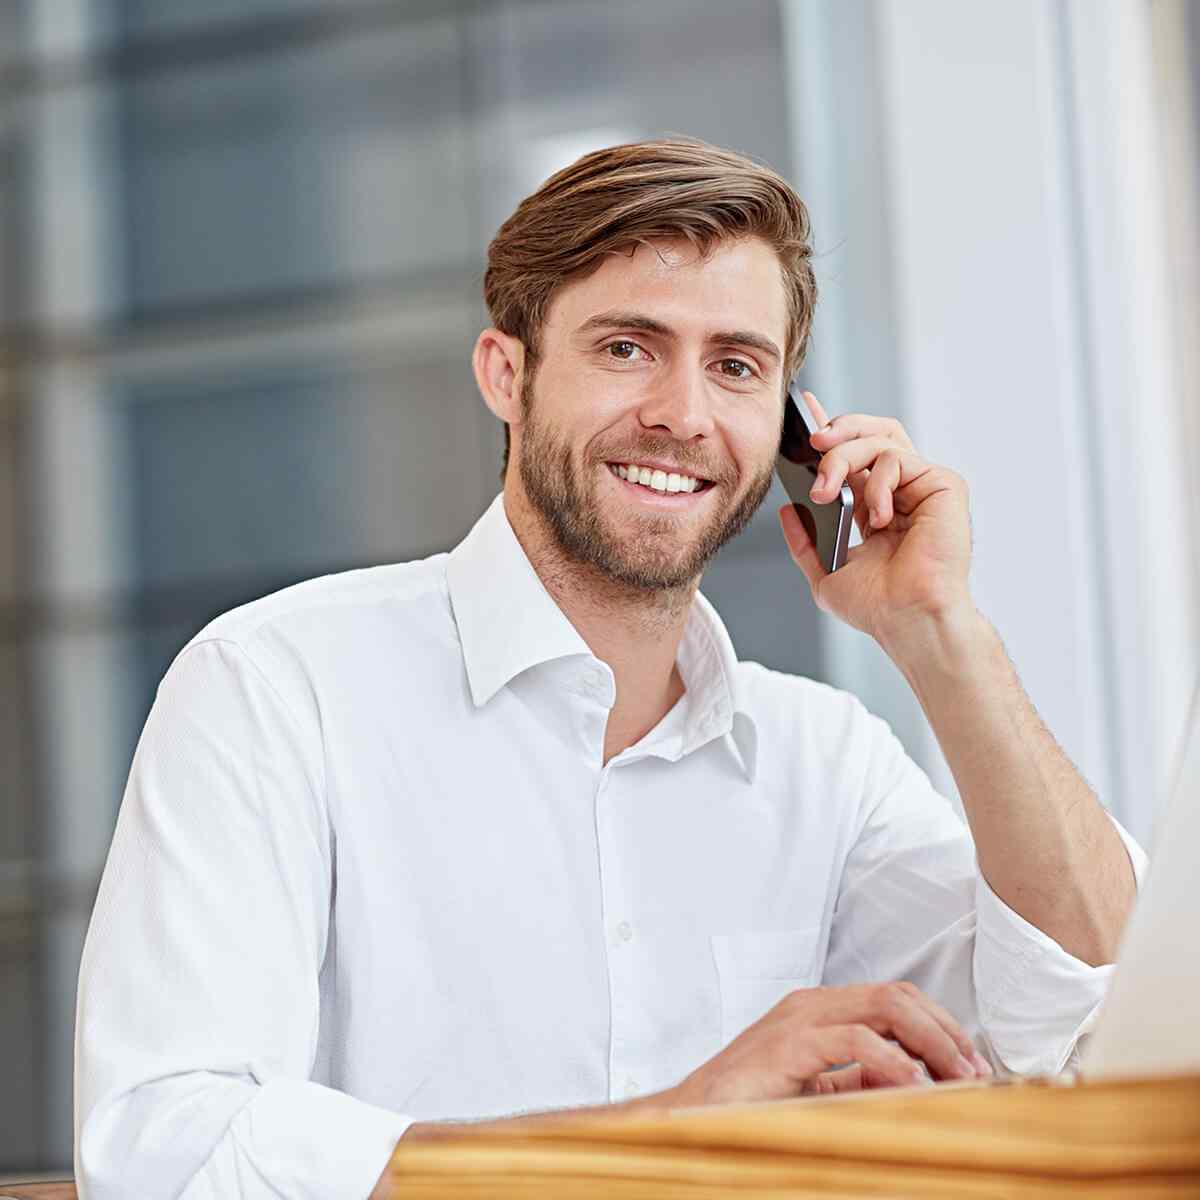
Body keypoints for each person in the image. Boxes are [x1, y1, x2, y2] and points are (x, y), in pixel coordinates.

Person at [74, 137, 1144, 1200]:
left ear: (792, 428)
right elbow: (167, 1149)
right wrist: (666, 1132)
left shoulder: (826, 761)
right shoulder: (275, 687)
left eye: (735, 366)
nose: (682, 415)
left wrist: (945, 636)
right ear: (508, 374)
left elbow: (1082, 1028)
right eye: (629, 347)